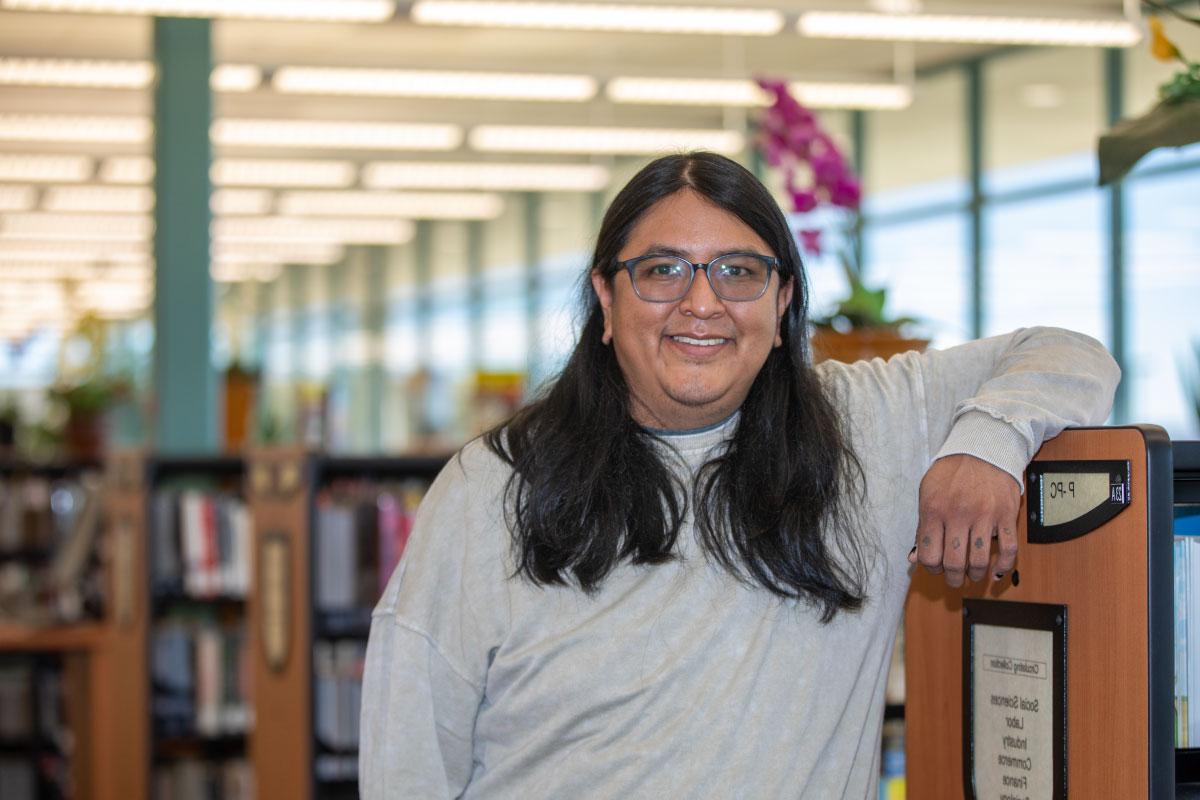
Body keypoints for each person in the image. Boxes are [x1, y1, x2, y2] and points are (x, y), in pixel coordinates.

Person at [360, 152, 1119, 798]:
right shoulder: (496, 486)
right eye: (662, 271)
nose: (701, 304)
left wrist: (984, 445)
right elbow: (408, 755)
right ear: (606, 299)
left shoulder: (870, 425)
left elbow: (1070, 354)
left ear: (784, 299)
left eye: (738, 272)